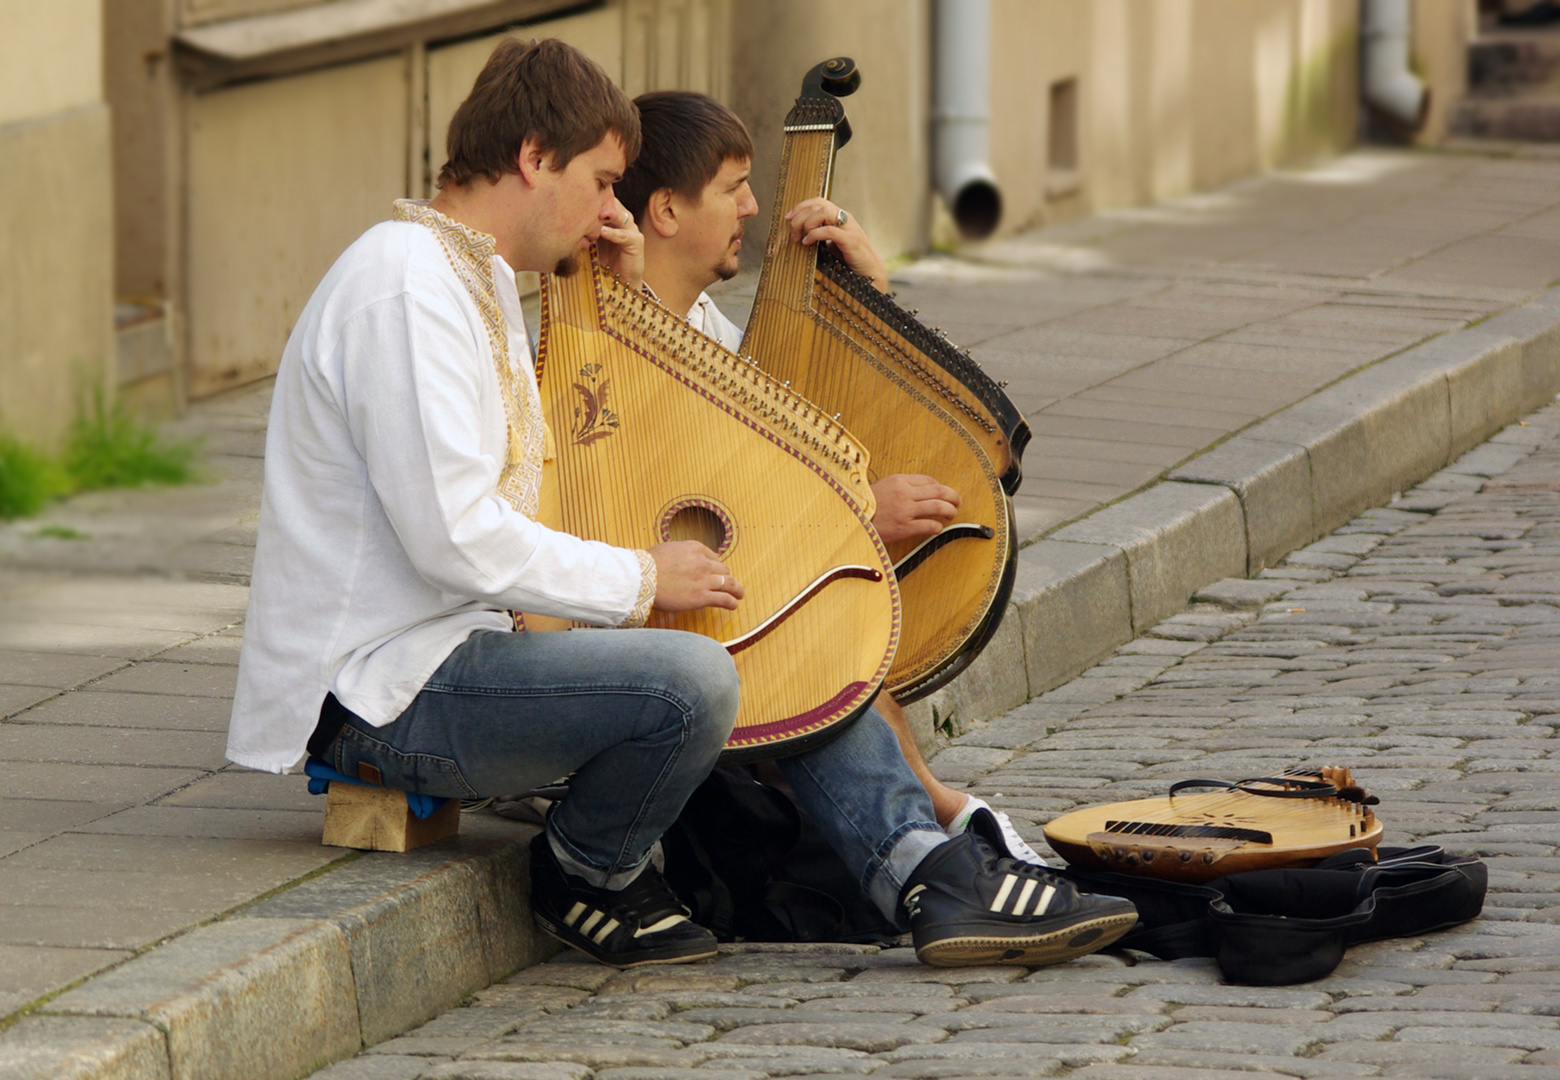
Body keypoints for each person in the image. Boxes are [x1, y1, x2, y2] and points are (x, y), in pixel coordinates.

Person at [226, 39, 749, 970]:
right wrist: (637, 578)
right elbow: (455, 540)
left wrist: (619, 295)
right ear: (533, 156)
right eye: (600, 181)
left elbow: (583, 464)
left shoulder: (477, 280)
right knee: (691, 681)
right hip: (385, 689)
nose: (611, 209)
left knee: (714, 652)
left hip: (456, 650)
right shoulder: (406, 288)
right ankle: (586, 873)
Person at [616, 90, 1137, 965]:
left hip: (705, 628)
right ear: (666, 210)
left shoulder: (705, 333)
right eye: (735, 188)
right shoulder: (616, 353)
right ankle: (942, 855)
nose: (755, 207)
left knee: (818, 635)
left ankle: (942, 848)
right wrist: (856, 518)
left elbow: (803, 442)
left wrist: (867, 294)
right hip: (639, 639)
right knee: (805, 644)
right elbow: (701, 530)